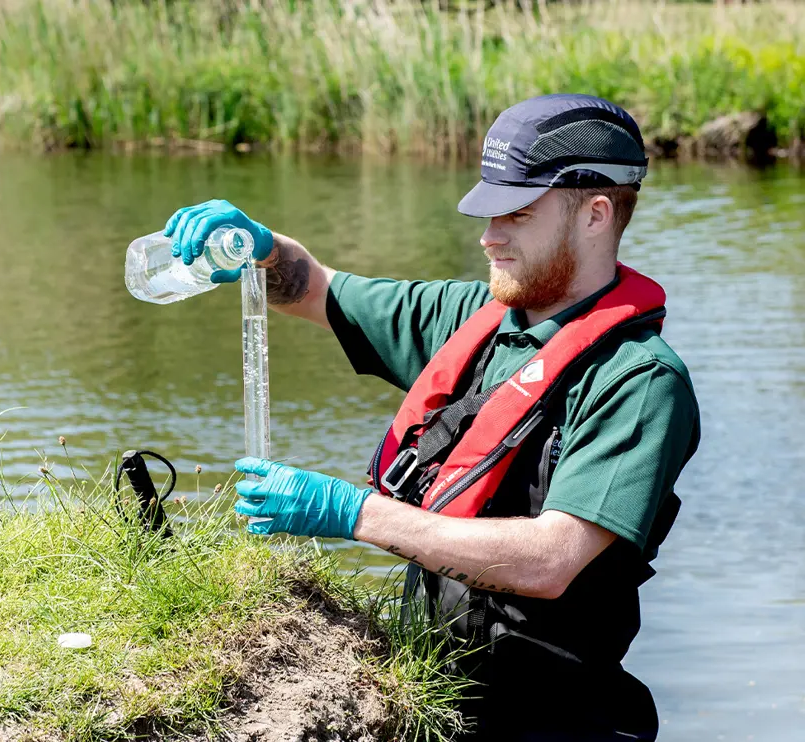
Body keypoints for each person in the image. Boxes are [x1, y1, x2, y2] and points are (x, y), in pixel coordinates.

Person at [164, 94, 700, 741]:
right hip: (436, 700)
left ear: (595, 215)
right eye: (487, 212)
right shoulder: (467, 319)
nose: (488, 235)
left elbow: (550, 562)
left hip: (558, 721)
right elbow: (312, 287)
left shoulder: (639, 380)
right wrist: (259, 250)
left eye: (516, 214)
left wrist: (352, 513)